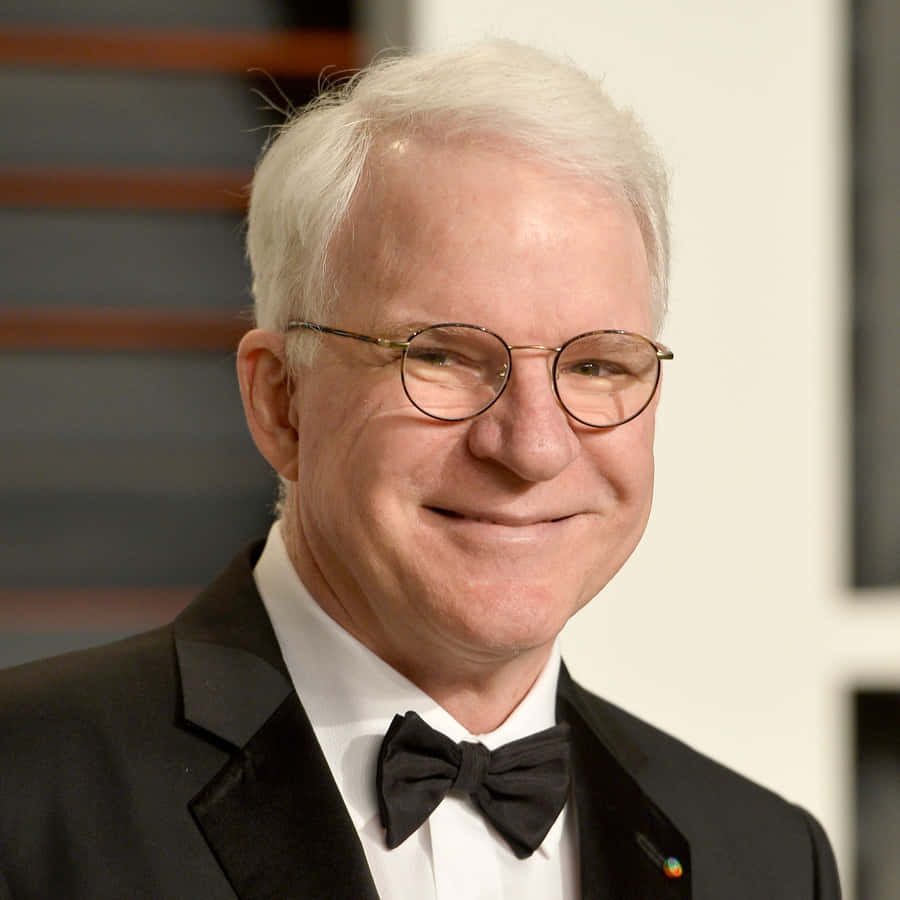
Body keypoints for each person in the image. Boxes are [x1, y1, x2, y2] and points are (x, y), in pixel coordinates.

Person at [0, 41, 840, 899]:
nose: (533, 447)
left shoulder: (768, 859)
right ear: (281, 401)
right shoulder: (24, 793)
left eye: (597, 365)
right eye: (441, 354)